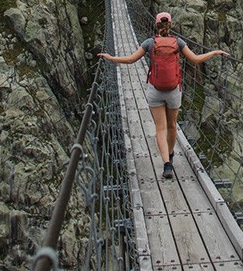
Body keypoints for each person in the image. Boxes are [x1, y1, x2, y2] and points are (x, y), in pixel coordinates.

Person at [98, 11, 228, 179]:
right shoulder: (178, 42)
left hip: (155, 91)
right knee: (172, 125)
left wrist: (111, 57)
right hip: (173, 91)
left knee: (160, 128)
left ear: (156, 25)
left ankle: (167, 165)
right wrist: (214, 52)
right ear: (170, 25)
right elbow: (195, 59)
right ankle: (171, 152)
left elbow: (131, 60)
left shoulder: (149, 43)